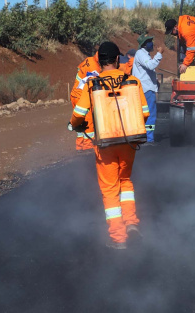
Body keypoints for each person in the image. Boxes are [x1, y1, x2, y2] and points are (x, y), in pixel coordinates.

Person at [70, 42, 149, 249]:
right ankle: (131, 223)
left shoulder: (92, 85)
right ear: (116, 60)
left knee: (110, 189)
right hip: (129, 143)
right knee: (126, 182)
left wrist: (77, 125)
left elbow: (78, 115)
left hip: (104, 144)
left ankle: (118, 238)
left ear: (100, 60)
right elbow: (145, 112)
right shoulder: (132, 81)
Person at [132, 34, 163, 143]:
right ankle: (149, 138)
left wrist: (155, 82)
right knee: (150, 114)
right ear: (144, 44)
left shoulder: (144, 54)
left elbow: (148, 71)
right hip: (145, 89)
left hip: (145, 88)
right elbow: (150, 65)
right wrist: (159, 54)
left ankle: (145, 136)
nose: (152, 43)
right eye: (149, 41)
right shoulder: (141, 54)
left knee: (145, 114)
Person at [70, 51, 101, 151]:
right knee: (89, 123)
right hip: (82, 97)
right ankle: (88, 149)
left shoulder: (89, 59)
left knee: (80, 123)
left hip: (75, 94)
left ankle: (79, 147)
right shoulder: (95, 68)